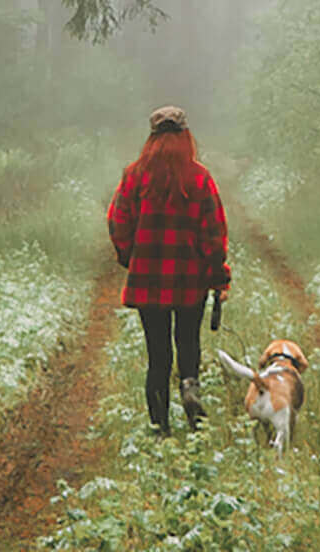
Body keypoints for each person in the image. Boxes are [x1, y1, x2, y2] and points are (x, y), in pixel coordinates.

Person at [106, 105, 231, 435]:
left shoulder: (134, 176)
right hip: (191, 281)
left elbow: (118, 224)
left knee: (158, 355)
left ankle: (160, 429)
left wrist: (131, 259)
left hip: (148, 283)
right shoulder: (199, 177)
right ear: (186, 135)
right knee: (188, 343)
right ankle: (190, 388)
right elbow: (214, 235)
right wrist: (218, 275)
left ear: (151, 139)